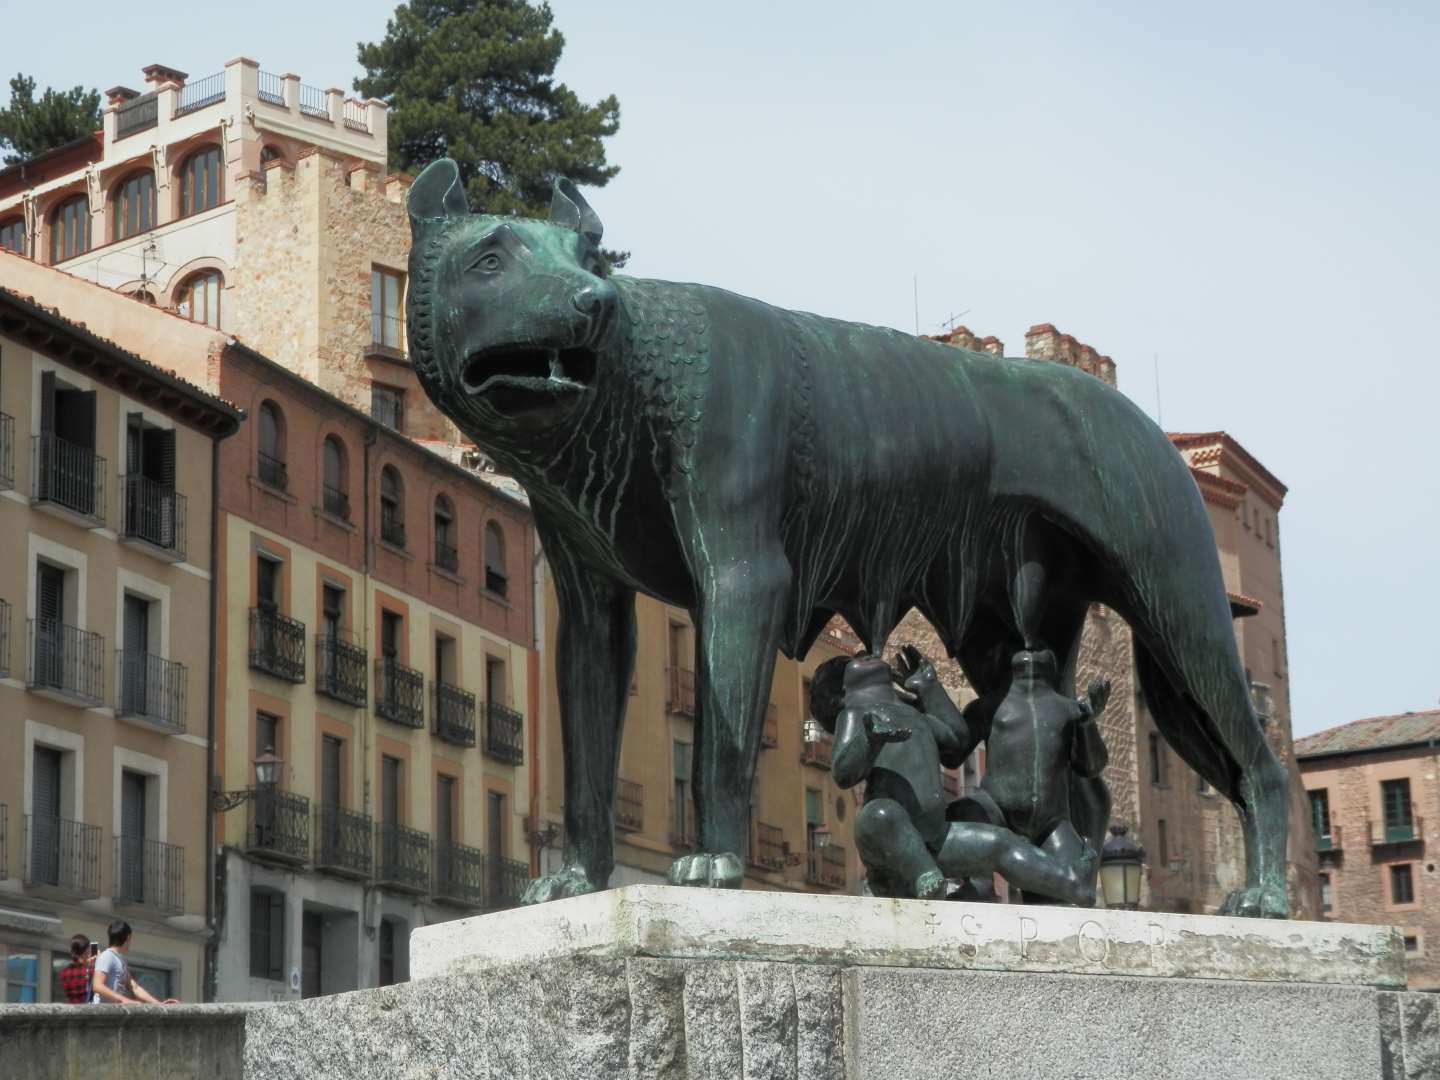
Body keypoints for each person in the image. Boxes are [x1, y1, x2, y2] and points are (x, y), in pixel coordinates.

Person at [91, 919, 176, 1004]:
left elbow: (135, 987)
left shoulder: (120, 960)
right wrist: (124, 1000)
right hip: (101, 1010)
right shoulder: (107, 956)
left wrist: (159, 1004)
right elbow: (97, 986)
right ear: (128, 938)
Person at [57, 934, 94, 1004]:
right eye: (89, 949)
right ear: (86, 951)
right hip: (87, 1009)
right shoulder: (91, 971)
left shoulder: (63, 973)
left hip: (71, 1008)